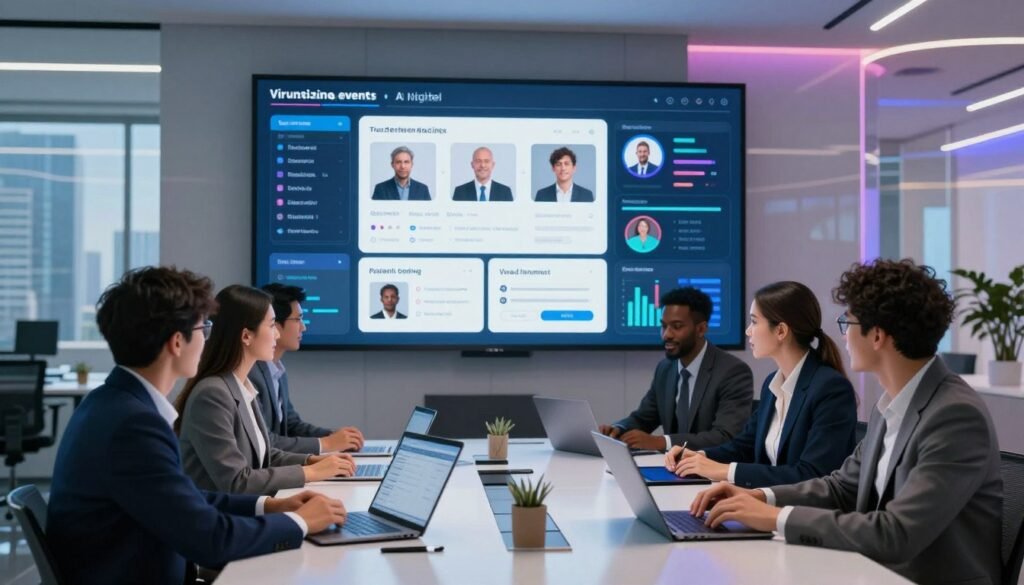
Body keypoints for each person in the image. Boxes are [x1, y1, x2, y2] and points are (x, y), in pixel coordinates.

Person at [690, 259, 1002, 585]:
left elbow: (896, 533)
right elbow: (840, 487)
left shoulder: (954, 416)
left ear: (877, 335)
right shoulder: (892, 405)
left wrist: (776, 518)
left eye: (848, 323)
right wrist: (763, 497)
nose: (845, 337)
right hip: (873, 572)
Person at [47, 267, 348, 585]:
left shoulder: (112, 404)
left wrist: (271, 505)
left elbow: (185, 498)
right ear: (178, 342)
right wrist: (298, 522)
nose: (208, 337)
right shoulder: (133, 425)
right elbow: (210, 540)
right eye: (203, 327)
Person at [664, 281, 857, 488]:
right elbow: (745, 445)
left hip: (802, 515)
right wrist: (698, 456)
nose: (748, 331)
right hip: (766, 505)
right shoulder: (772, 384)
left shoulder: (830, 389)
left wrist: (723, 471)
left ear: (781, 331)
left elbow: (813, 475)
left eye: (754, 322)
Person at [176, 285, 356, 495]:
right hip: (224, 520)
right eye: (271, 326)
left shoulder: (242, 386)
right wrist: (311, 472)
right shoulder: (212, 395)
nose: (277, 335)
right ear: (246, 336)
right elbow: (237, 482)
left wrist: (311, 460)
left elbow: (265, 454)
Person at [599, 287, 753, 450]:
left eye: (677, 326)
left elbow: (725, 436)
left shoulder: (732, 372)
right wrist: (619, 429)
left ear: (701, 329)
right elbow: (644, 417)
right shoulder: (665, 368)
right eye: (664, 326)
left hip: (710, 471)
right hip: (672, 468)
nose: (666, 335)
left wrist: (662, 442)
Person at [250, 283, 366, 454]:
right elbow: (265, 441)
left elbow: (291, 425)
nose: (303, 327)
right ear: (275, 324)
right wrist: (326, 444)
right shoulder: (251, 375)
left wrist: (334, 436)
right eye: (297, 320)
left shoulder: (277, 370)